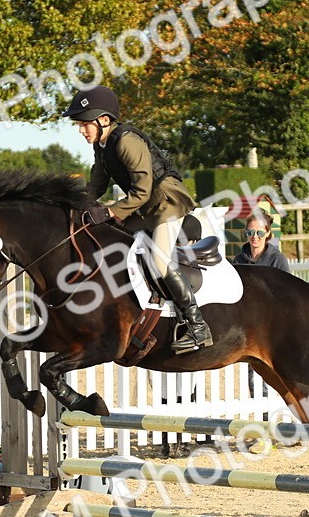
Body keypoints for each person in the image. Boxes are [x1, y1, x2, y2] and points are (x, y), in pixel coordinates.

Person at [64, 85, 212, 353]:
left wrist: (109, 211)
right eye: (79, 125)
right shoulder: (102, 146)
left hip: (166, 203)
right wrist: (77, 207)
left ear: (104, 120)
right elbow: (95, 187)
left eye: (84, 124)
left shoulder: (127, 141)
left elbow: (142, 191)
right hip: (144, 210)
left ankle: (197, 325)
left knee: (158, 260)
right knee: (111, 238)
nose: (81, 130)